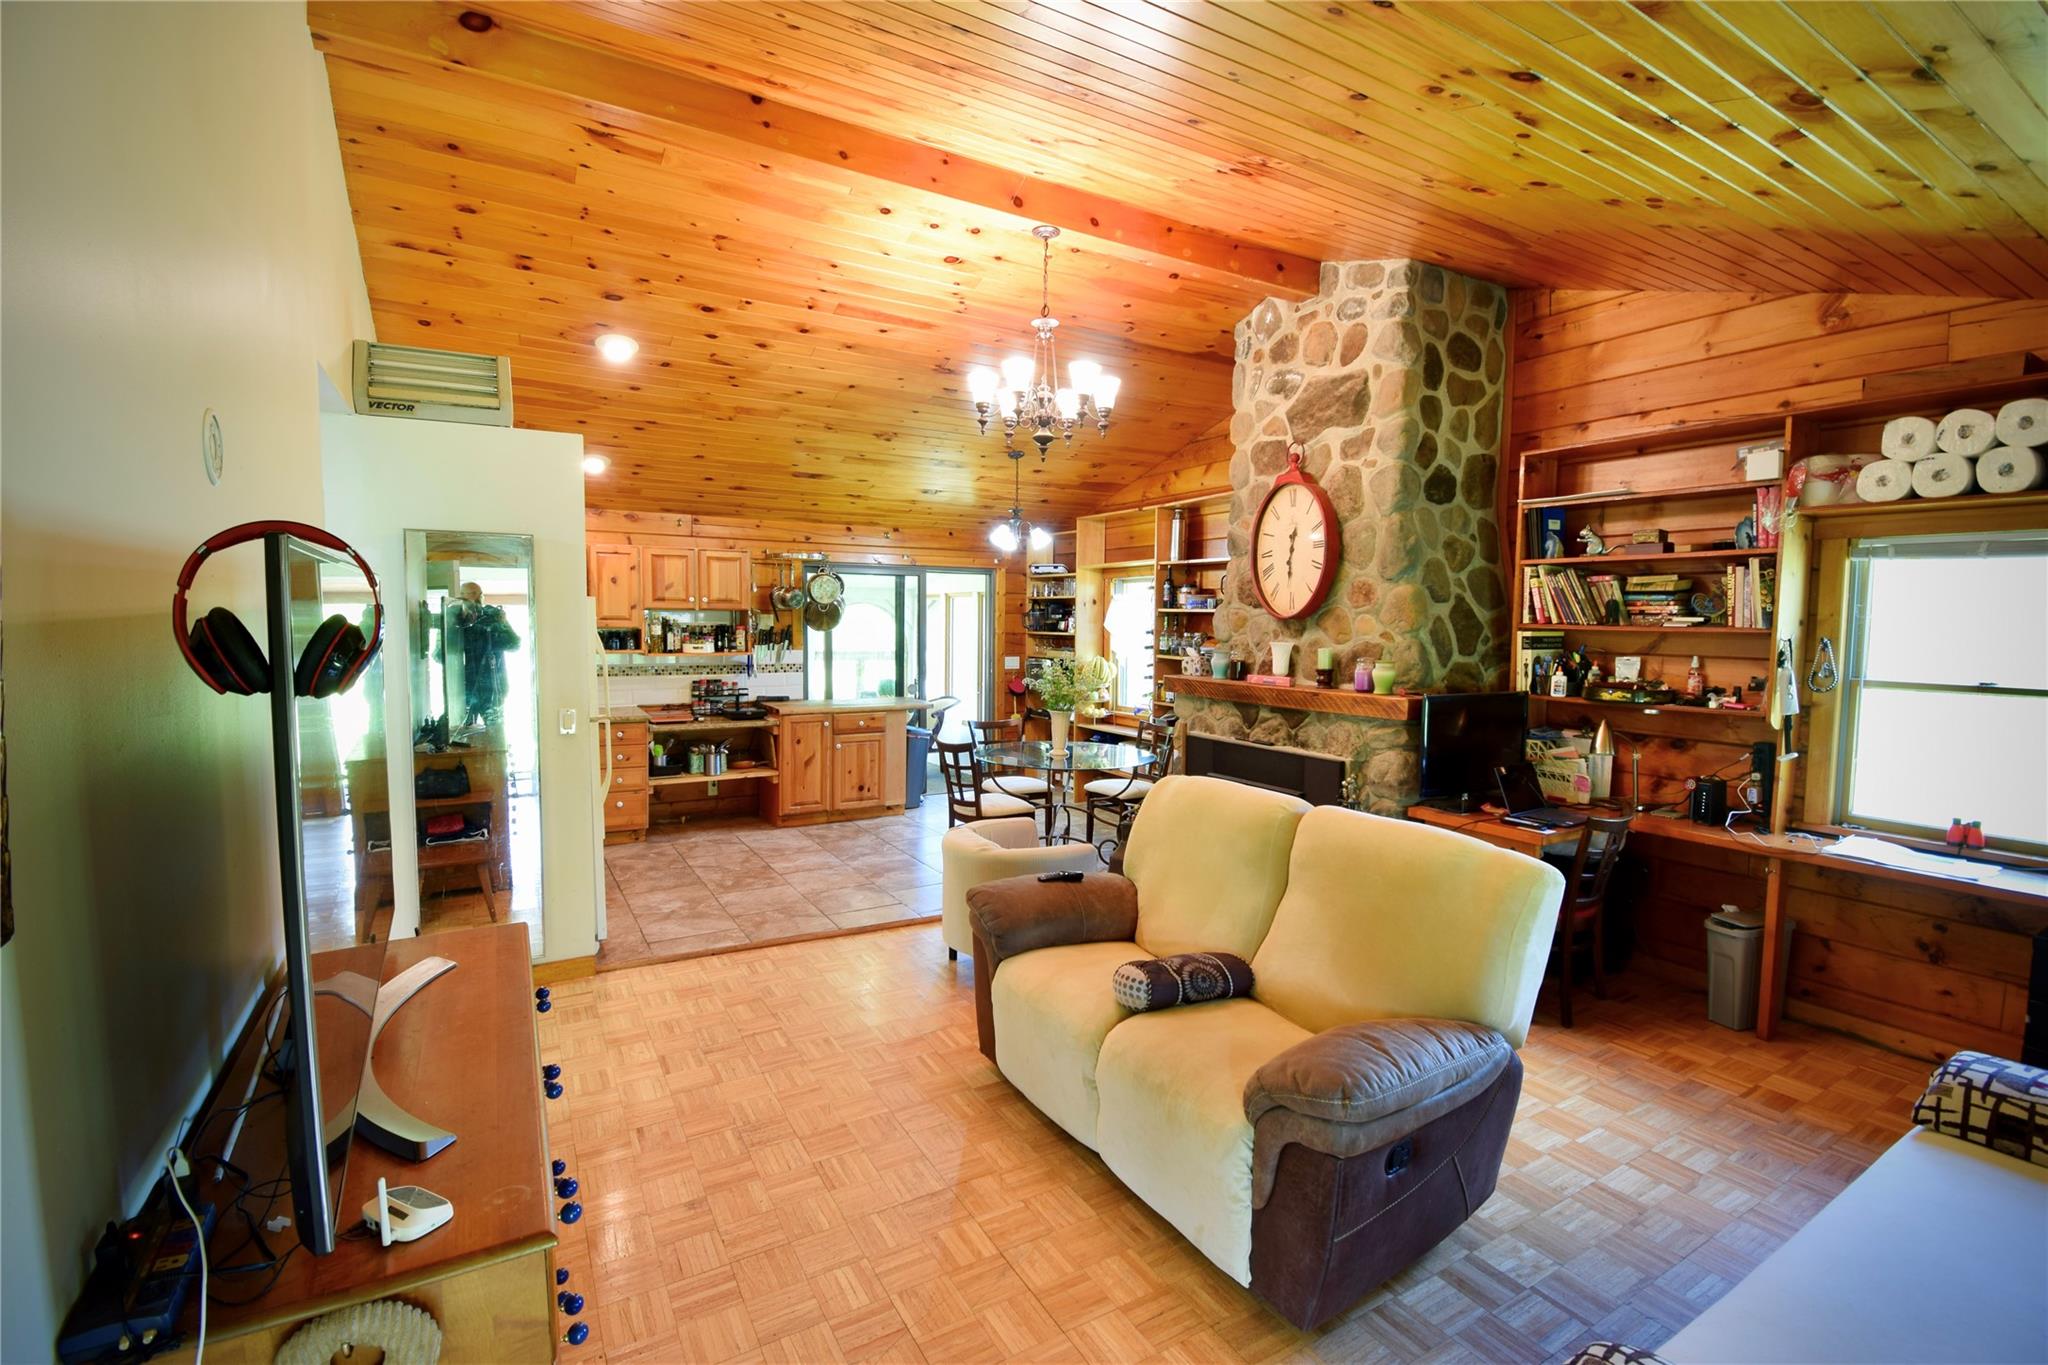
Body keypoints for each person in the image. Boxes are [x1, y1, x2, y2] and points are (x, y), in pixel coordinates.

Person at [446, 581, 519, 727]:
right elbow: (440, 655)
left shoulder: (492, 617)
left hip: (491, 688)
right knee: (460, 732)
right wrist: (450, 624)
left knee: (495, 733)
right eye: (464, 596)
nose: (474, 600)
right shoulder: (455, 620)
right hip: (464, 689)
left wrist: (503, 623)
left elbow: (514, 644)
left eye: (475, 595)